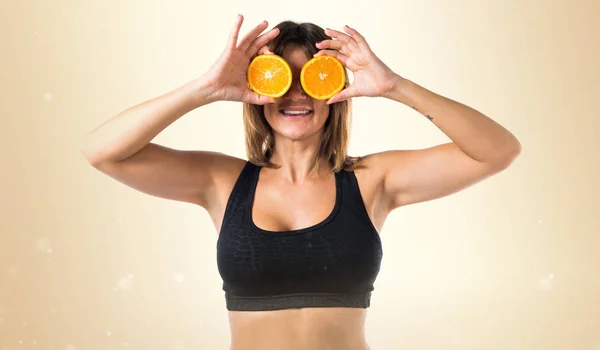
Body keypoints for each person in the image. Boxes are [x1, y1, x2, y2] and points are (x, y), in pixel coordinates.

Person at [81, 14, 521, 350]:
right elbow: (101, 151)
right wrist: (204, 89)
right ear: (258, 91)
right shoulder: (221, 181)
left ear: (334, 94)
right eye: (280, 77)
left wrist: (394, 87)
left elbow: (498, 150)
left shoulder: (371, 181)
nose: (296, 94)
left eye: (312, 78)